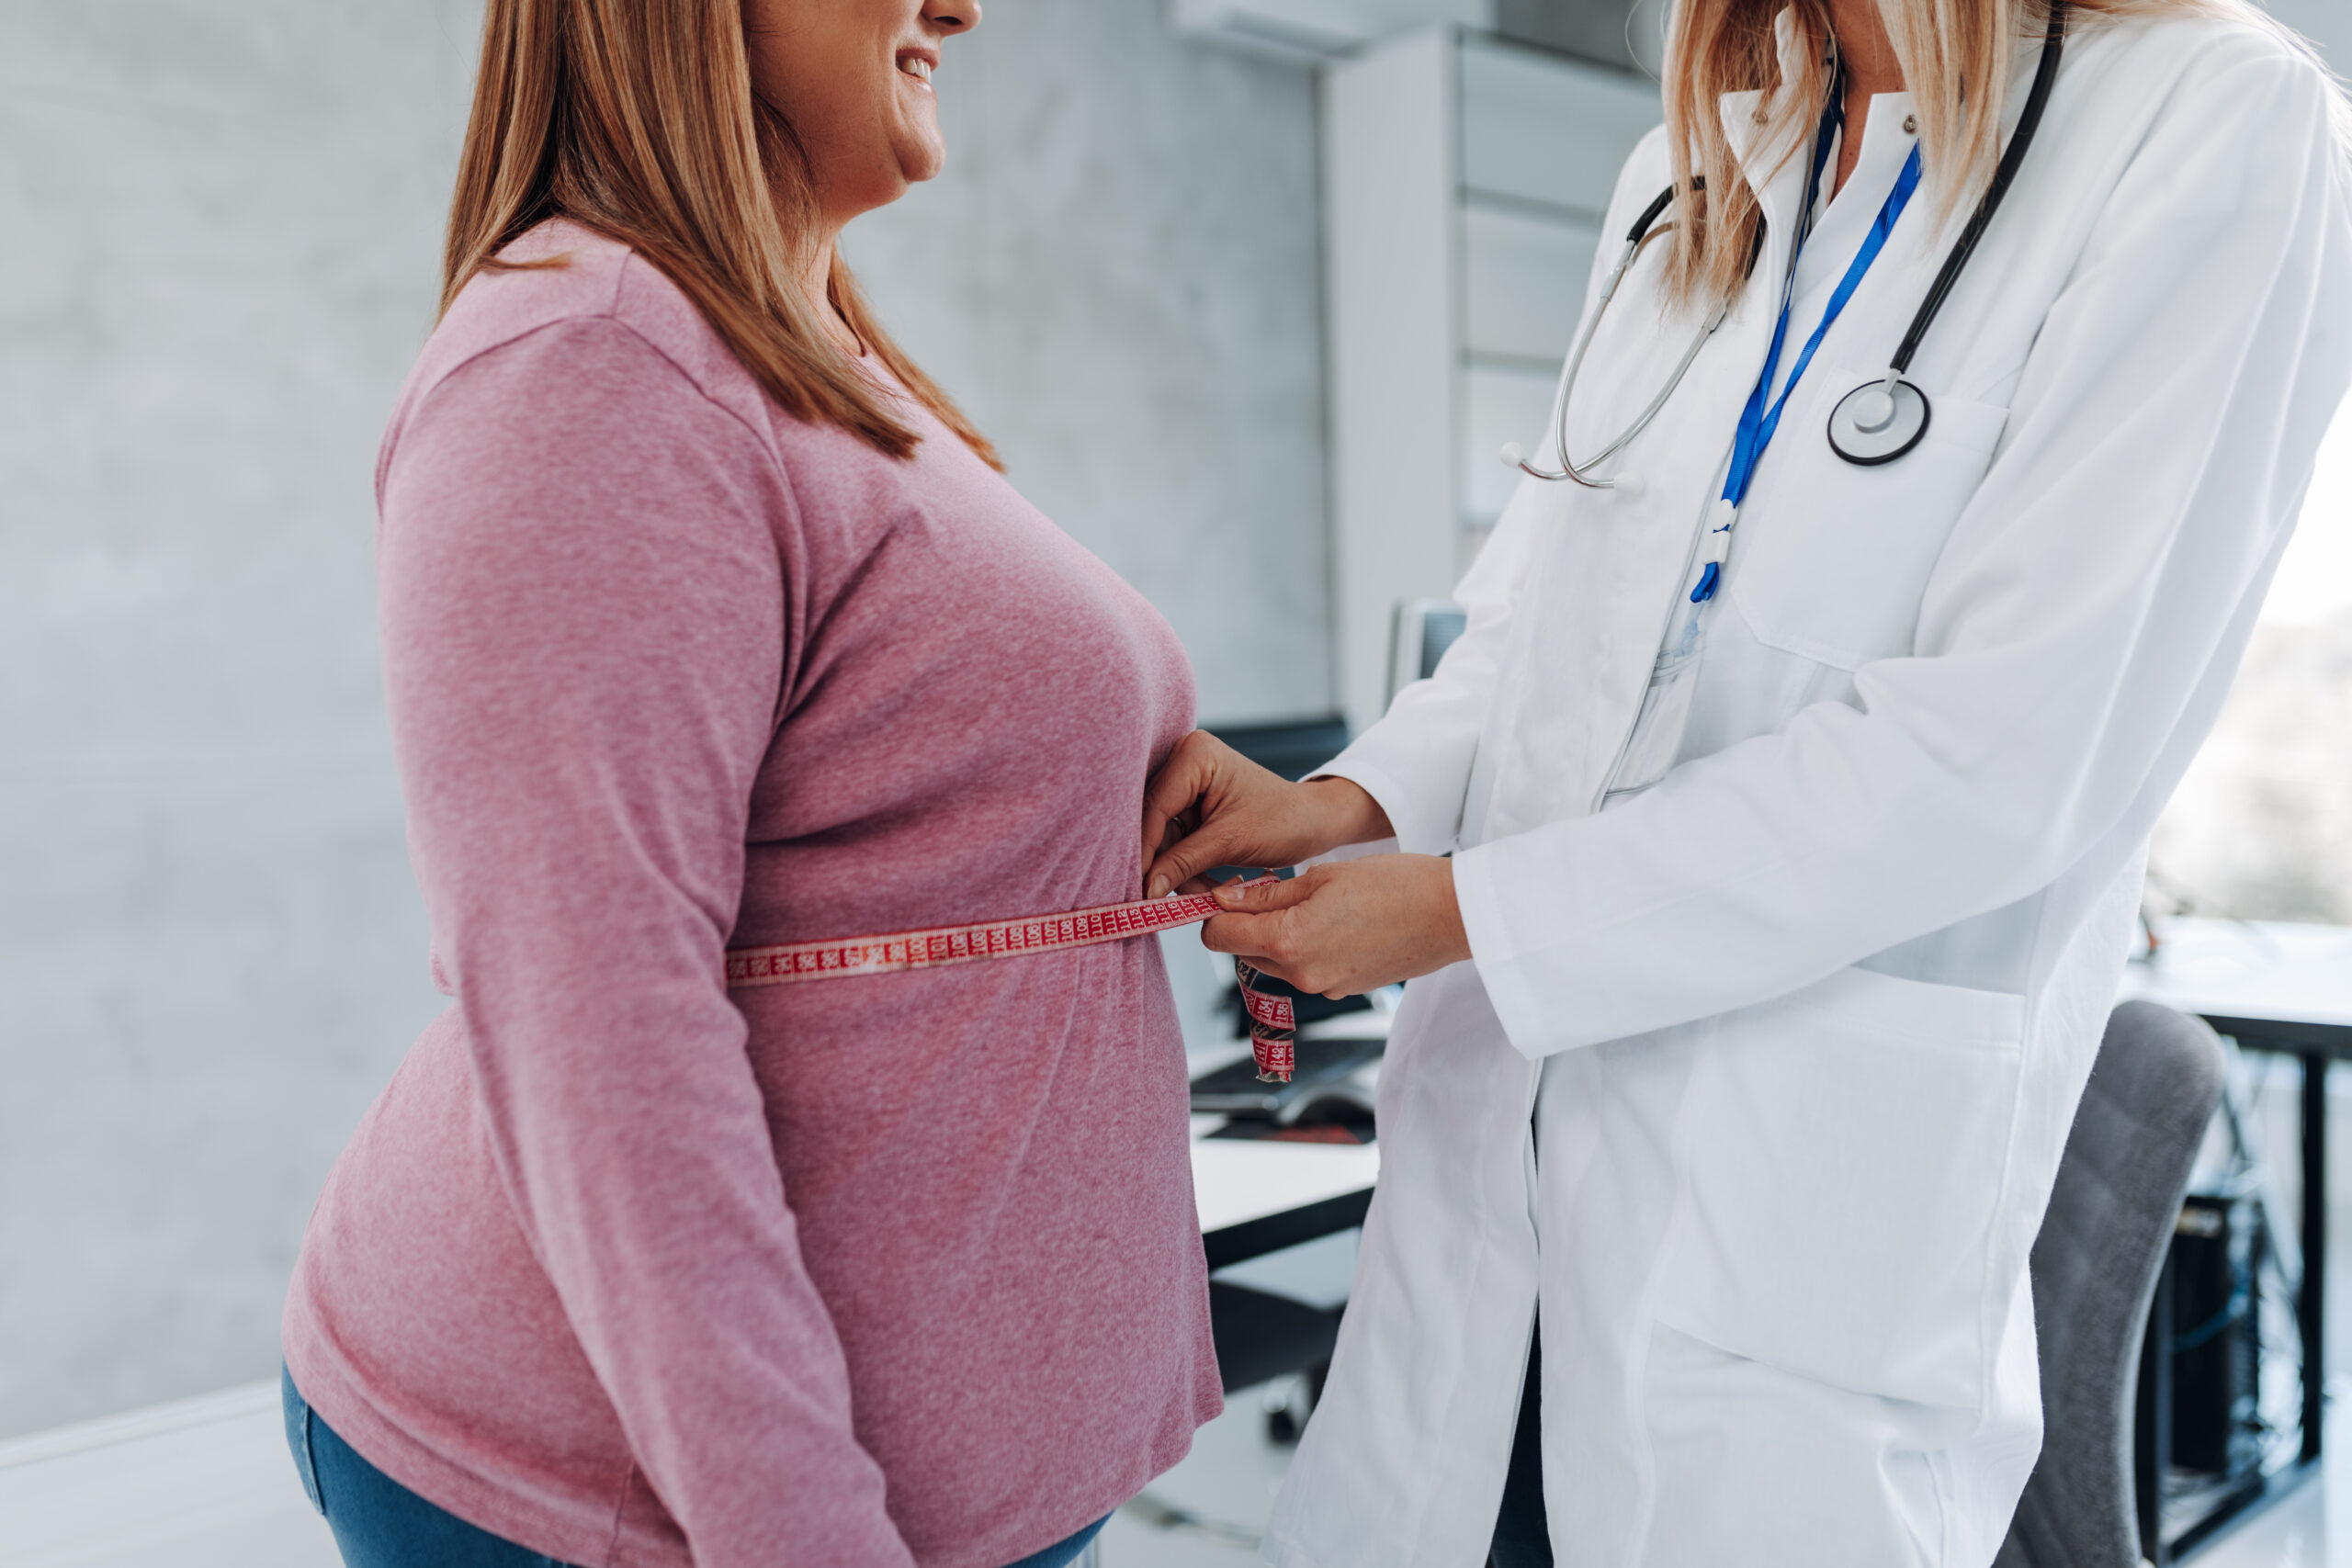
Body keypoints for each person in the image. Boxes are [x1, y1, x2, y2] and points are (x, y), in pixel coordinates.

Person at [1140, 0, 2352, 1562]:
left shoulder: (2212, 120)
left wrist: (1463, 914)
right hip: (1476, 1235)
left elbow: (1987, 761)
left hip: (1781, 1271)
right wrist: (1351, 804)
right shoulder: (1697, 167)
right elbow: (1525, 633)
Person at [280, 2, 1223, 1566]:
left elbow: (897, 796)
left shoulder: (803, 355)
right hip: (637, 1497)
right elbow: (600, 1030)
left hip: (968, 1470)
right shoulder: (586, 359)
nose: (960, 4)